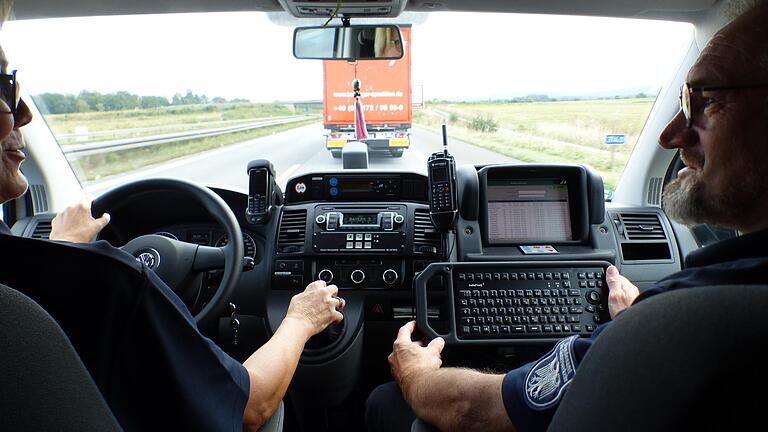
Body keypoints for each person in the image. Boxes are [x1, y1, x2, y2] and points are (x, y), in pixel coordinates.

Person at [366, 2, 768, 431]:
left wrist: (415, 373)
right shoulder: (688, 317)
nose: (669, 136)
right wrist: (638, 320)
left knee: (384, 401)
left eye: (706, 101)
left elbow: (468, 411)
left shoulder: (674, 322)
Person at [0, 1, 346, 430]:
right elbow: (250, 408)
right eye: (7, 88)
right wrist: (302, 318)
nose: (25, 113)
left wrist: (63, 253)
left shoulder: (36, 272)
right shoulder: (112, 284)